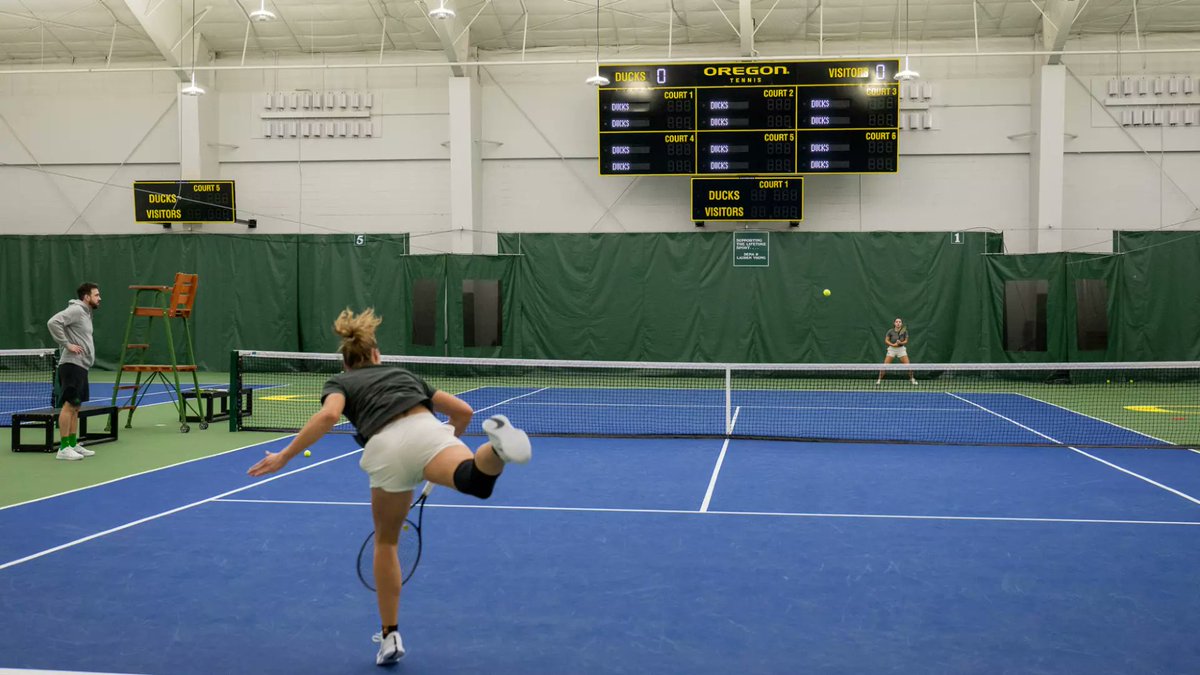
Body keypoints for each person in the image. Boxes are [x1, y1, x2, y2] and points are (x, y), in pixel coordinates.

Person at [247, 308, 531, 666]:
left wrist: (285, 456)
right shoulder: (403, 374)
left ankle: (390, 635)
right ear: (377, 355)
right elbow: (463, 413)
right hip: (427, 430)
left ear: (347, 363)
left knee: (386, 541)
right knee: (475, 480)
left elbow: (330, 416)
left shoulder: (340, 383)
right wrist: (442, 450)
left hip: (384, 447)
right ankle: (496, 448)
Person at [47, 282, 101, 460]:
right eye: (96, 295)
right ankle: (63, 448)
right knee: (69, 406)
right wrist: (67, 344)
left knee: (76, 407)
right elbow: (53, 322)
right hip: (71, 365)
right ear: (86, 297)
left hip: (82, 366)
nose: (99, 298)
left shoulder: (86, 313)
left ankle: (72, 443)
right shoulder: (76, 310)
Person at [876, 317, 916, 385]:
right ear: (894, 323)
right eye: (896, 322)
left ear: (901, 324)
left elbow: (906, 341)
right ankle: (879, 380)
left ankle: (912, 378)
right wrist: (893, 345)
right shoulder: (890, 331)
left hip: (901, 350)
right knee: (884, 366)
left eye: (899, 322)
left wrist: (901, 343)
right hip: (892, 349)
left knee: (909, 366)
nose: (898, 323)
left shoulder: (904, 331)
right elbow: (886, 340)